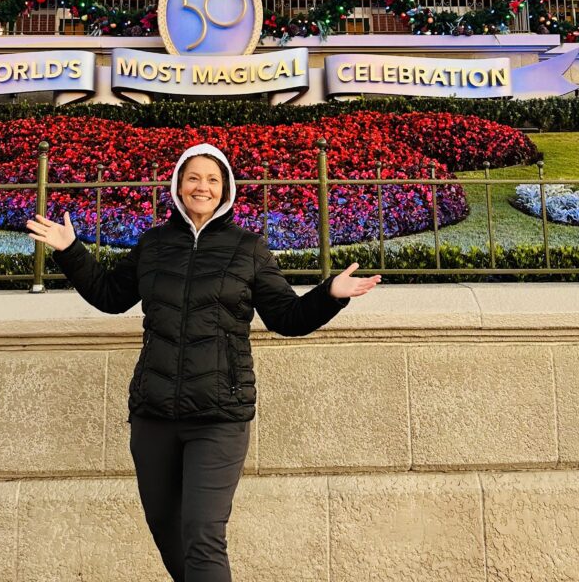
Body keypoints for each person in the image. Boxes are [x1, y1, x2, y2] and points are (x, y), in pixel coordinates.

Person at [26, 142, 380, 582]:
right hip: (154, 415)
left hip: (219, 416)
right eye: (193, 177)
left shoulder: (248, 249)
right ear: (177, 185)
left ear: (226, 189)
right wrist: (71, 249)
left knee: (202, 533)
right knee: (168, 532)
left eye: (213, 179)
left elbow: (286, 318)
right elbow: (110, 296)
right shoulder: (154, 244)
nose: (202, 187)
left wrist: (329, 295)